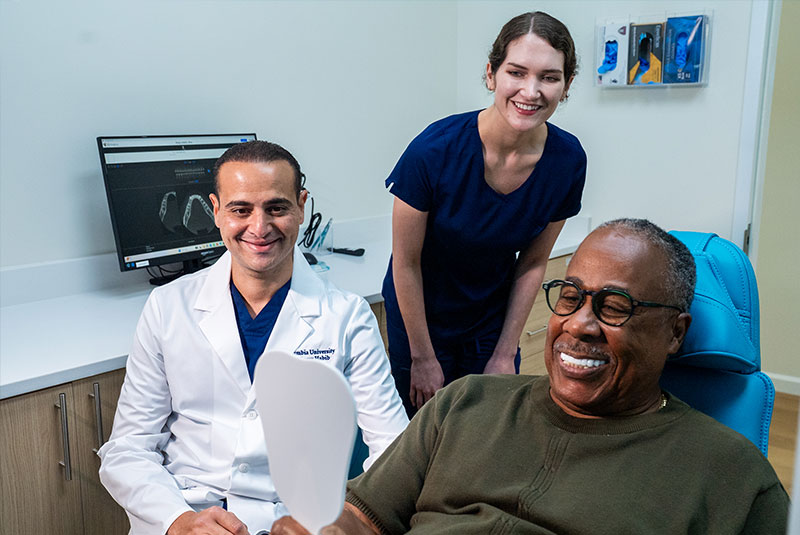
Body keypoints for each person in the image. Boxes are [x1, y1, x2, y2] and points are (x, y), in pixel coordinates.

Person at [273, 219, 790, 534]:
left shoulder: (731, 476)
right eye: (570, 297)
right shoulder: (467, 404)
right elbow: (365, 515)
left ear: (675, 334)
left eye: (615, 307)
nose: (579, 326)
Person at [99, 141, 409, 535]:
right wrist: (177, 521)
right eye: (240, 209)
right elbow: (128, 450)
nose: (259, 228)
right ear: (215, 211)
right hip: (189, 508)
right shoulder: (167, 307)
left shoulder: (346, 316)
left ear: (301, 206)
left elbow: (395, 451)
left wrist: (346, 521)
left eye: (276, 208)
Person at [382, 11, 587, 417]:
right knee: (422, 432)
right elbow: (405, 263)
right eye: (517, 72)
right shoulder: (433, 151)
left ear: (565, 86)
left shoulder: (567, 160)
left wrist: (504, 352)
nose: (531, 91)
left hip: (489, 318)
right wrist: (422, 357)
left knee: (486, 429)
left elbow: (532, 263)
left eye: (549, 77)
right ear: (491, 74)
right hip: (423, 318)